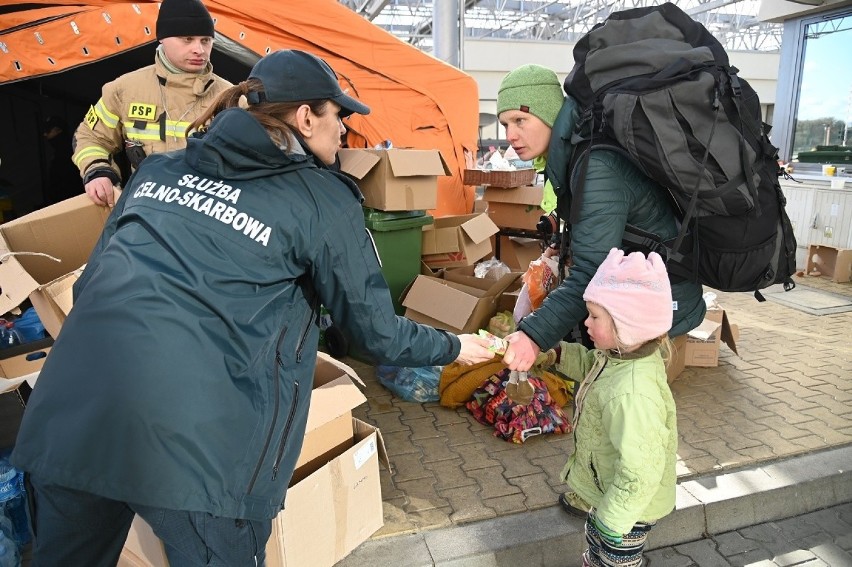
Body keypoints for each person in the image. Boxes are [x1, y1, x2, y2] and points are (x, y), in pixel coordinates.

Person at [12, 49, 495, 565]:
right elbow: (373, 336)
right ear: (306, 117)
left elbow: (89, 292)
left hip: (68, 424)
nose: (345, 133)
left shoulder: (156, 172)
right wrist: (455, 346)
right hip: (201, 457)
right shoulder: (321, 199)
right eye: (341, 117)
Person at [498, 64, 705, 368]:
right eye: (504, 124)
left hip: (654, 309)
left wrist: (532, 337)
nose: (511, 135)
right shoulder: (578, 154)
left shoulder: (597, 166)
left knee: (624, 399)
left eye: (520, 120)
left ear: (550, 113)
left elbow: (592, 269)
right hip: (633, 299)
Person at [553, 248, 678, 567]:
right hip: (609, 489)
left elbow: (641, 470)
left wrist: (614, 518)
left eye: (595, 317)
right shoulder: (620, 356)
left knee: (616, 558)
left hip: (629, 508)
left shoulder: (632, 395)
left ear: (627, 324)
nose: (586, 323)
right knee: (596, 541)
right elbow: (592, 367)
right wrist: (556, 356)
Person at [72, 0, 231, 208]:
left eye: (206, 40)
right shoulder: (124, 90)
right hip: (144, 214)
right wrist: (97, 171)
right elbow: (90, 137)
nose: (199, 49)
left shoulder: (232, 98)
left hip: (208, 217)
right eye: (188, 39)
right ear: (163, 38)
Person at [42, 115, 84, 205]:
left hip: (72, 202)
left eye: (48, 131)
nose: (45, 134)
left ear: (58, 130)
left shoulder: (70, 150)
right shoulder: (58, 152)